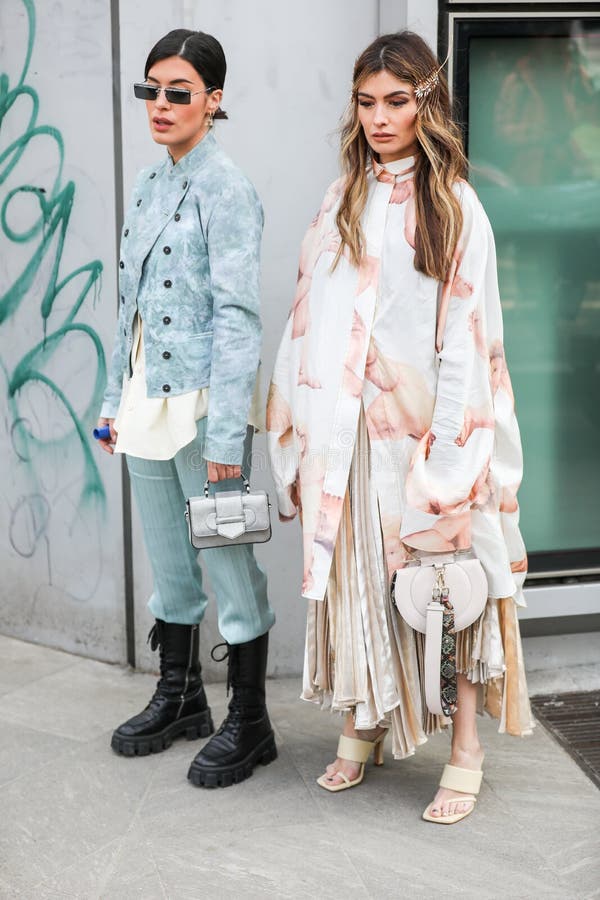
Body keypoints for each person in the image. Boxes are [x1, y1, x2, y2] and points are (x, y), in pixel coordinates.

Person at [267, 31, 533, 824]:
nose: (380, 117)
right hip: (344, 435)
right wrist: (292, 424)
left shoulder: (455, 206)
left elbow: (465, 343)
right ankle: (364, 722)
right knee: (360, 588)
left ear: (427, 104)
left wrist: (447, 461)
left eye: (397, 100)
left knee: (446, 597)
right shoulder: (339, 197)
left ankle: (465, 748)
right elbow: (305, 317)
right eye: (366, 101)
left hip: (426, 440)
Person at [97, 29, 276, 788]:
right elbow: (128, 305)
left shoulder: (226, 187)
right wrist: (114, 399)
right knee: (172, 565)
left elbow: (240, 318)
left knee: (229, 564)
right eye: (152, 91)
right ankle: (180, 698)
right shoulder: (148, 182)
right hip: (146, 400)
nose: (162, 105)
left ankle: (251, 721)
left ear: (214, 99)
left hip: (204, 406)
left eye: (179, 91)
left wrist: (229, 432)